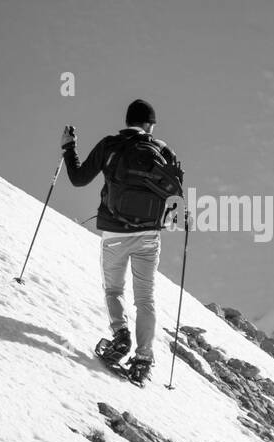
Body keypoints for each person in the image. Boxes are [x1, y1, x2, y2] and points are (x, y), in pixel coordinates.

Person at [61, 99, 183, 383]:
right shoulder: (163, 151)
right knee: (145, 298)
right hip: (149, 236)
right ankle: (143, 359)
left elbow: (78, 179)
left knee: (114, 288)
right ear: (150, 125)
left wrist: (69, 148)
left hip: (115, 234)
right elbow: (176, 202)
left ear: (127, 120)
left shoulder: (110, 145)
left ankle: (120, 336)